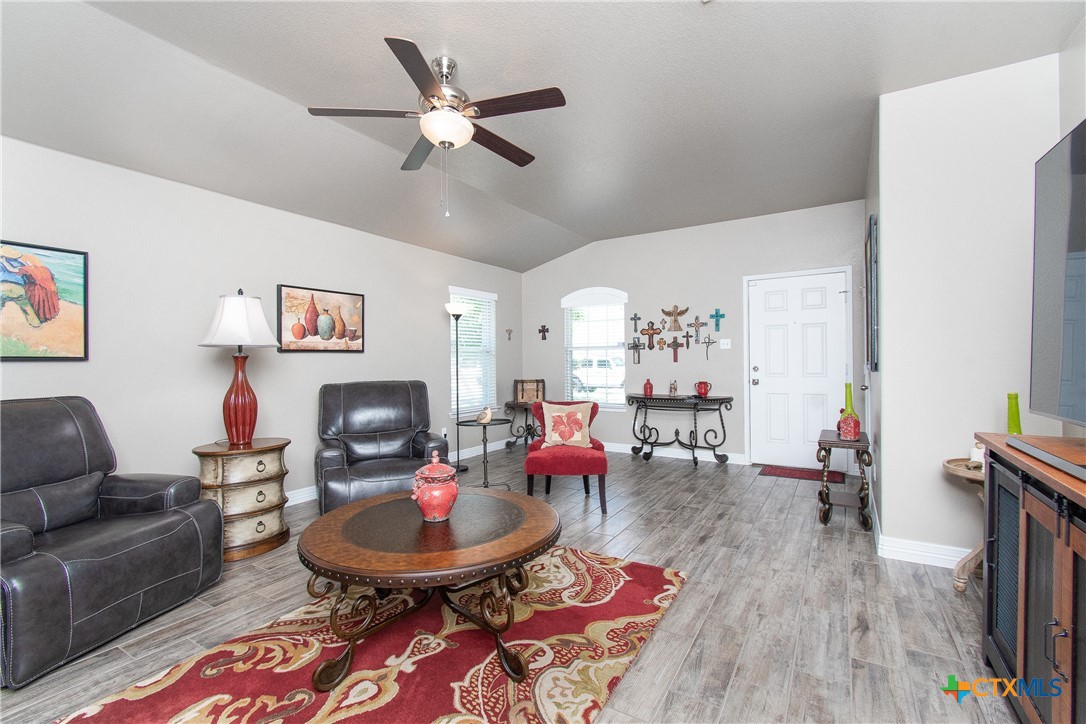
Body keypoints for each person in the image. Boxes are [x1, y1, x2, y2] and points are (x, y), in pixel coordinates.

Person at [0, 246, 60, 327]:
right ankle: (38, 323)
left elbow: (12, 269)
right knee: (35, 306)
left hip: (32, 289)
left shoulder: (28, 268)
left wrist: (3, 261)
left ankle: (37, 322)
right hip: (46, 290)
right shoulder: (43, 269)